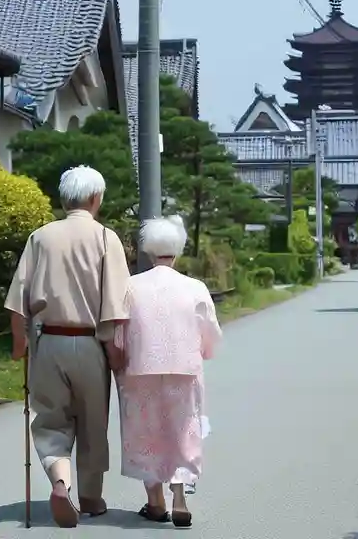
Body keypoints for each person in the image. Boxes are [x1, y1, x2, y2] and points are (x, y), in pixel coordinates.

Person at [5, 165, 130, 528]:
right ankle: (91, 497)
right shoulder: (107, 238)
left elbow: (18, 301)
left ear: (64, 199)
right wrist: (116, 350)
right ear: (96, 199)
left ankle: (61, 481)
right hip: (91, 343)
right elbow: (117, 305)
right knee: (93, 423)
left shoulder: (40, 238)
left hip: (49, 342)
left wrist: (20, 344)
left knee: (50, 420)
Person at [114, 215, 222, 528]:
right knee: (183, 431)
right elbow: (209, 332)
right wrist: (205, 351)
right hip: (184, 369)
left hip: (140, 369)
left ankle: (155, 500)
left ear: (148, 251)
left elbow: (120, 331)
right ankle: (180, 498)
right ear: (177, 250)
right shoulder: (194, 287)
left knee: (145, 433)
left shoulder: (131, 287)